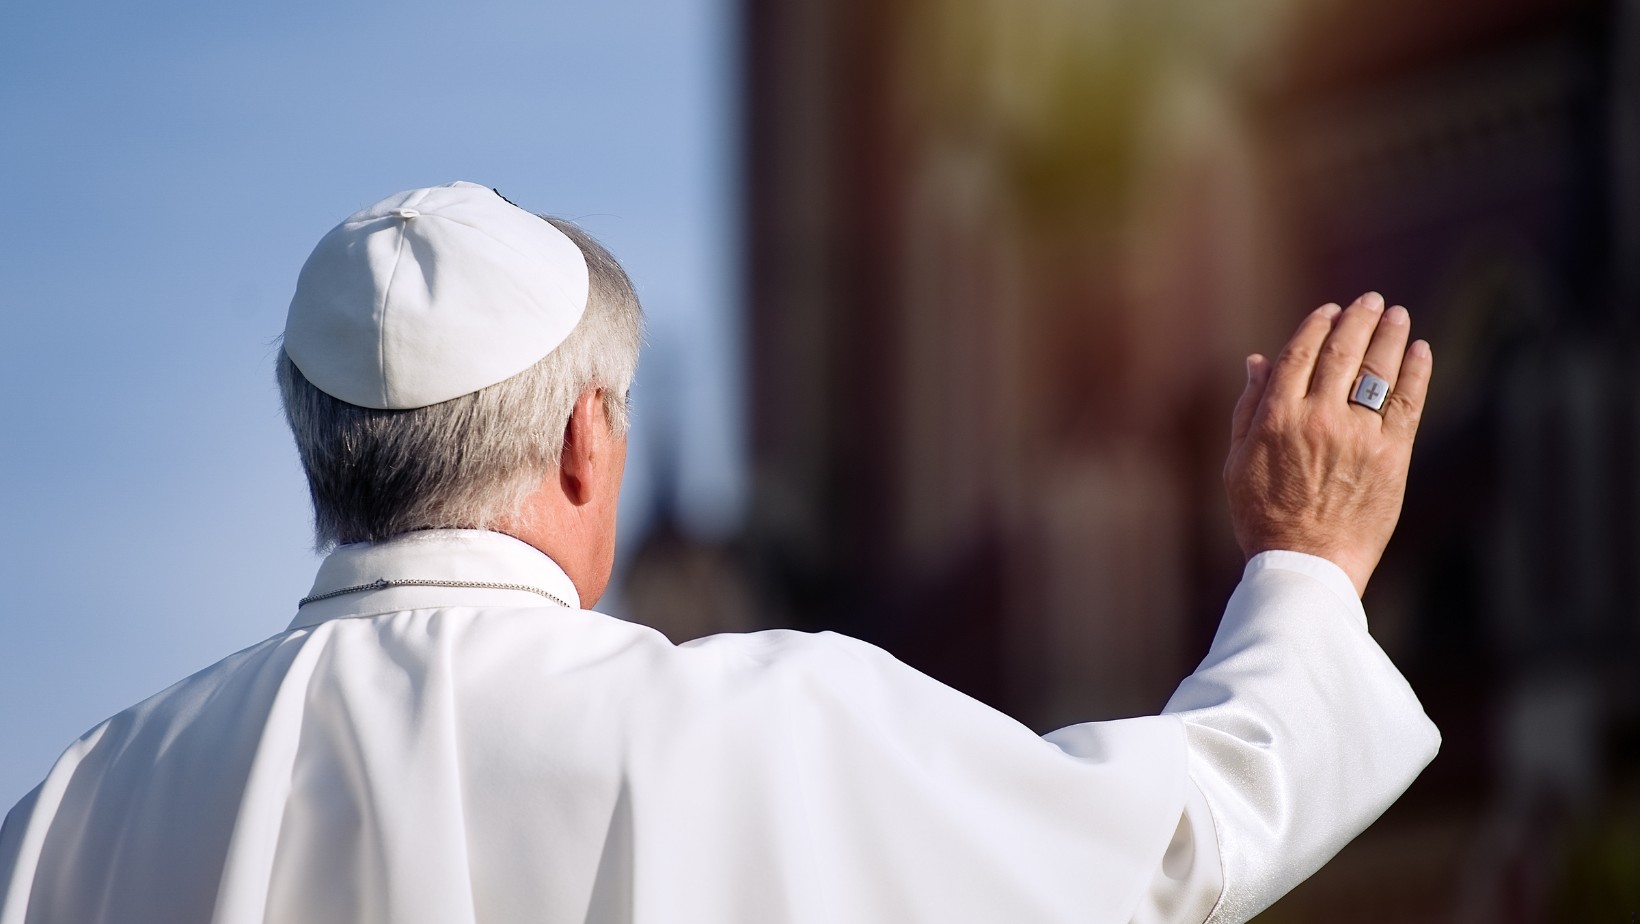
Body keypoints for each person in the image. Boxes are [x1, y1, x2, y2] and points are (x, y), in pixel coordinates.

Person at [0, 181, 1438, 924]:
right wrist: (1304, 563)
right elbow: (1166, 856)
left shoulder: (70, 814)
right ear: (586, 446)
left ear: (319, 454)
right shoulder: (758, 727)